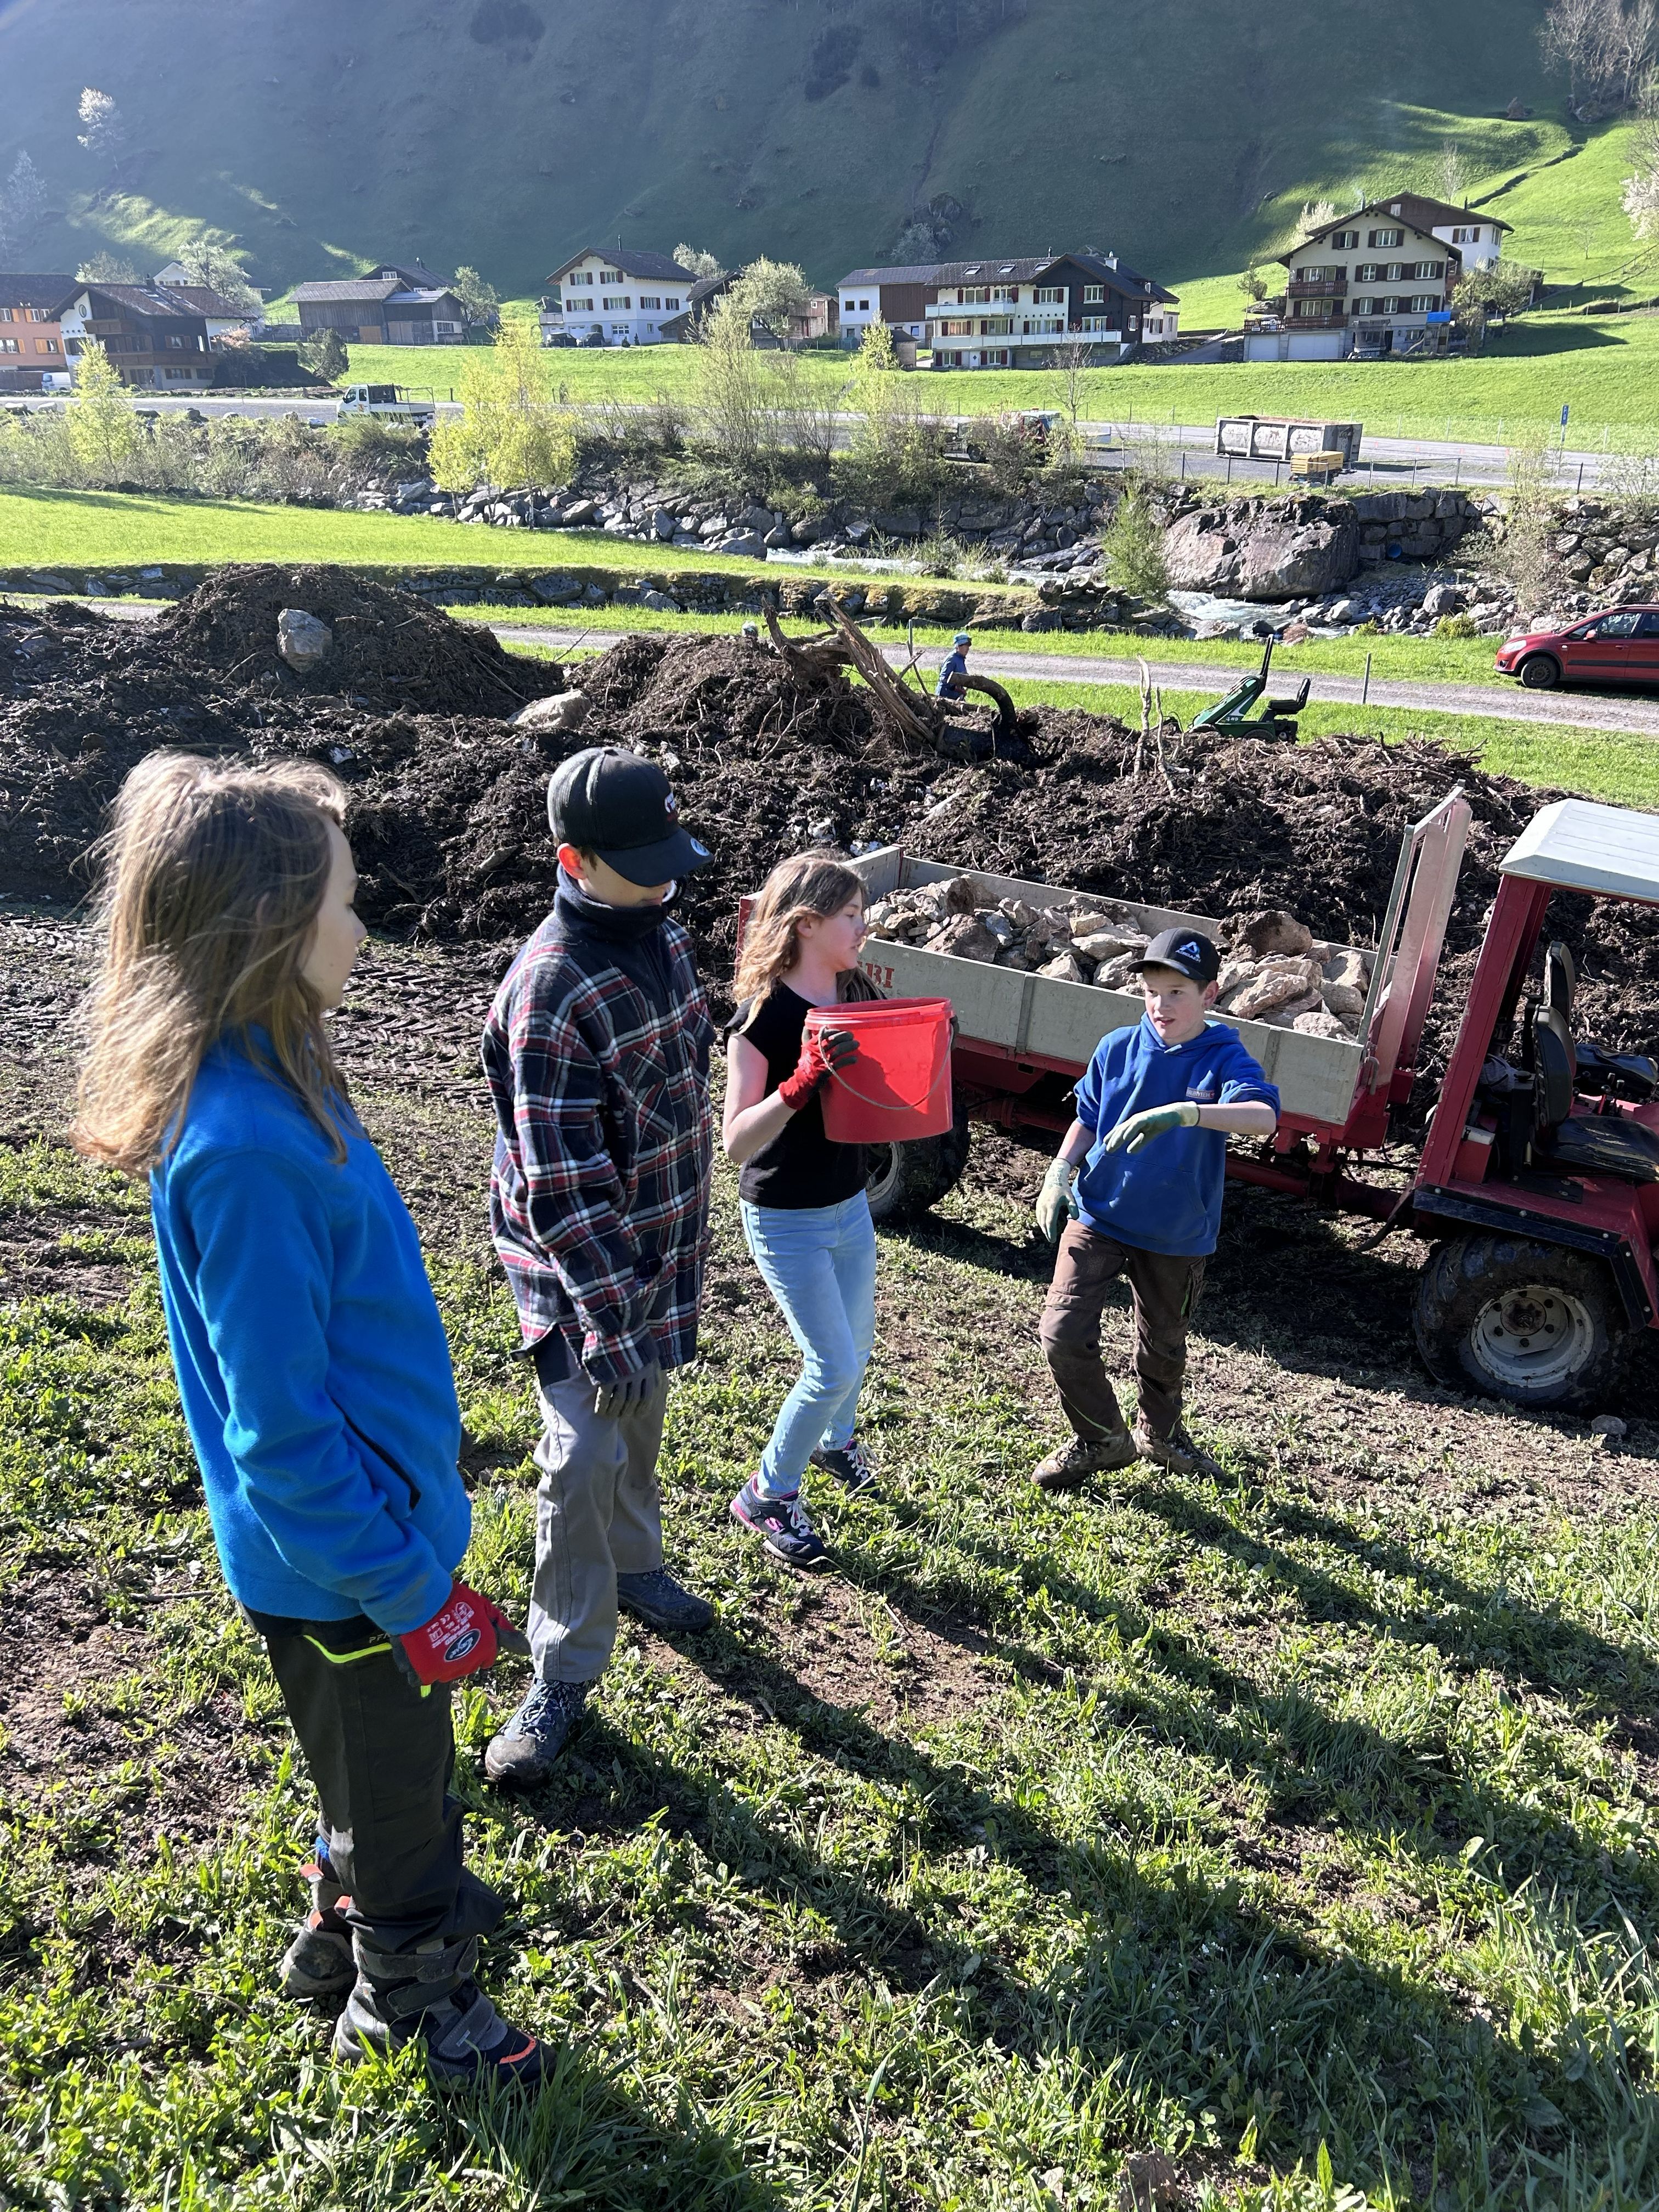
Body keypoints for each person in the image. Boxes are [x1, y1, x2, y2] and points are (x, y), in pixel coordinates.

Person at [71, 754, 544, 2084]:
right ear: (271, 927)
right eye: (343, 902)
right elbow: (279, 1434)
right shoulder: (247, 1148)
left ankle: (339, 1928)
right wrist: (409, 1590)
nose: (363, 928)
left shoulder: (276, 1080)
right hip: (347, 1567)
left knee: (367, 1768)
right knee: (404, 1794)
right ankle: (414, 2000)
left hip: (351, 1550)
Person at [482, 746, 718, 1787]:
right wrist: (610, 1324)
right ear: (572, 860)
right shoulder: (550, 991)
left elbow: (688, 1059)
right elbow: (564, 1193)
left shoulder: (660, 929)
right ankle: (563, 1667)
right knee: (580, 1452)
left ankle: (635, 1563)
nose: (665, 882)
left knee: (643, 1411)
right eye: (640, 864)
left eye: (668, 857)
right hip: (577, 1269)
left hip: (659, 1241)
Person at [1031, 927, 1280, 1489]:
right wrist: (1061, 1169)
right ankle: (1101, 1438)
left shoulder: (1224, 1056)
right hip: (1099, 1214)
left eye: (1177, 993)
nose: (1160, 1006)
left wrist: (1188, 1113)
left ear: (1209, 994)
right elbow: (1088, 1117)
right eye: (1151, 992)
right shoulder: (1117, 1046)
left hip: (1176, 1232)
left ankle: (1161, 1438)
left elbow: (1263, 1118)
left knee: (1163, 1348)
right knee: (1062, 1332)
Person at [723, 853, 882, 1571]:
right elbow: (735, 1142)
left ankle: (834, 1443)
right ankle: (768, 1495)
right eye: (851, 915)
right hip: (787, 1218)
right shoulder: (764, 1017)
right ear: (808, 923)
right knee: (830, 1365)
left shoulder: (854, 989)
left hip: (849, 1205)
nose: (862, 927)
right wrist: (799, 1084)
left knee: (858, 1345)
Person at [935, 630, 973, 702]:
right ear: (958, 647)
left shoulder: (960, 658)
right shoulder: (952, 660)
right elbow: (943, 679)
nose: (968, 649)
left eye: (968, 646)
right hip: (945, 697)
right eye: (966, 646)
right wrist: (956, 688)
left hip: (955, 697)